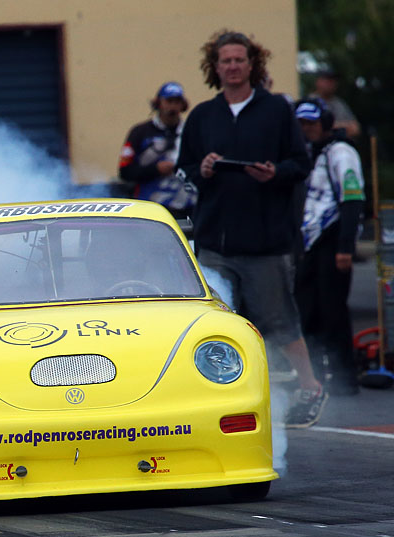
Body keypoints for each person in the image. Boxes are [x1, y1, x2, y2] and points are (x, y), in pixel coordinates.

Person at [176, 30, 324, 428]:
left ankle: (310, 387)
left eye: (239, 59)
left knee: (278, 321)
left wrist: (275, 173)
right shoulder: (202, 116)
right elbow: (184, 170)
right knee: (215, 324)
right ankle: (222, 395)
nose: (233, 66)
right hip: (215, 244)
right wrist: (202, 170)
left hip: (266, 243)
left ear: (252, 64)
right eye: (225, 60)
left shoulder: (276, 110)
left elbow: (300, 164)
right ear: (215, 66)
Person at [293, 98, 365, 395]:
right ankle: (317, 375)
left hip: (333, 240)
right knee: (307, 309)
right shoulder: (308, 153)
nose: (306, 128)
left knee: (333, 310)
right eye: (301, 123)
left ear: (324, 122)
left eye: (311, 123)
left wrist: (345, 248)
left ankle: (345, 378)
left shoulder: (341, 152)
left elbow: (353, 199)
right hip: (309, 242)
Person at [118, 82, 196, 218]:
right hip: (149, 209)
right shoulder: (140, 133)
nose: (172, 107)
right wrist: (156, 169)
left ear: (183, 105)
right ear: (159, 103)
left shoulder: (192, 132)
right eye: (169, 101)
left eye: (177, 102)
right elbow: (125, 171)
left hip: (186, 207)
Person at [313, 70, 360, 141]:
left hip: (339, 144)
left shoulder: (339, 103)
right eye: (327, 80)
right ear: (318, 82)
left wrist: (329, 128)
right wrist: (343, 127)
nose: (331, 83)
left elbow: (355, 129)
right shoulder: (310, 102)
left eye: (333, 81)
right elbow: (313, 130)